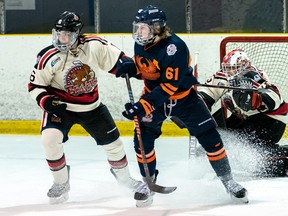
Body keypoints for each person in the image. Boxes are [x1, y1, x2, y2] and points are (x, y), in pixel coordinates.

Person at [116, 5, 248, 207]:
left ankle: (229, 181)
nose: (138, 32)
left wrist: (143, 105)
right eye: (138, 27)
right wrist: (132, 68)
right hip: (154, 98)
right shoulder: (140, 44)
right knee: (142, 140)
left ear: (157, 27)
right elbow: (148, 69)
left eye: (143, 28)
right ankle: (147, 182)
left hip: (184, 100)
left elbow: (169, 86)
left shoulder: (174, 48)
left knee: (210, 137)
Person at [28, 11, 142, 204]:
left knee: (114, 145)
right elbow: (35, 85)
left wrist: (125, 64)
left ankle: (126, 181)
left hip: (92, 108)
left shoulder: (93, 46)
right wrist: (46, 101)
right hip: (61, 108)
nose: (61, 39)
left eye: (66, 34)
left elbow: (117, 60)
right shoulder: (48, 55)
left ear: (77, 33)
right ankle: (61, 183)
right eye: (58, 34)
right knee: (49, 139)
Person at [197, 48, 288, 177]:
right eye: (227, 68)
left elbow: (275, 98)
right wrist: (194, 107)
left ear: (244, 65)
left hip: (269, 122)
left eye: (233, 68)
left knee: (261, 164)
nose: (229, 71)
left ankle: (281, 155)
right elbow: (207, 94)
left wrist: (259, 99)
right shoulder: (221, 77)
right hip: (243, 120)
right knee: (215, 146)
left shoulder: (254, 75)